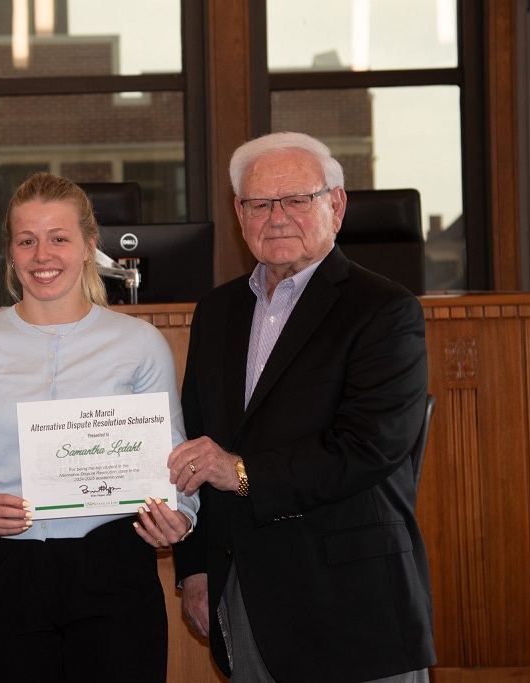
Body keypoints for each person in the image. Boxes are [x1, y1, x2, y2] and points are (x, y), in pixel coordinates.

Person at [148, 131, 436, 682]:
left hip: (351, 607)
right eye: (260, 203)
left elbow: (369, 446)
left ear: (337, 204)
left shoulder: (384, 310)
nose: (277, 217)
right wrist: (198, 570)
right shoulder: (217, 311)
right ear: (239, 213)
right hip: (245, 602)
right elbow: (196, 443)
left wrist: (241, 473)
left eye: (298, 199)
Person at [0, 172, 198, 682]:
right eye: (26, 241)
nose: (41, 255)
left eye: (59, 238)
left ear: (90, 246)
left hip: (114, 561)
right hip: (5, 568)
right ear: (11, 252)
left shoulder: (139, 343)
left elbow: (172, 456)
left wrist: (181, 513)